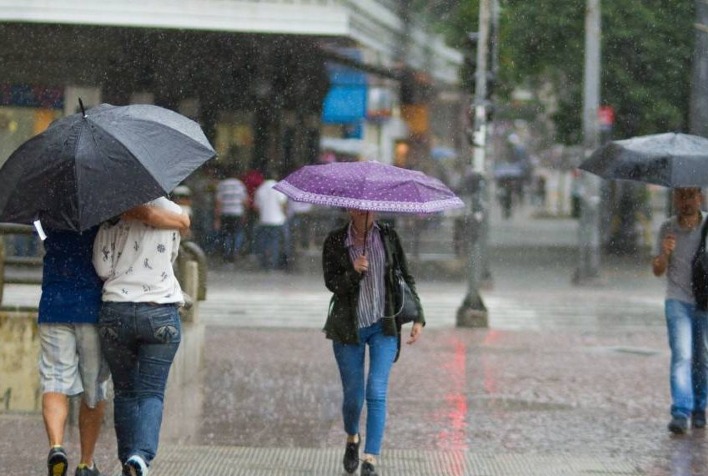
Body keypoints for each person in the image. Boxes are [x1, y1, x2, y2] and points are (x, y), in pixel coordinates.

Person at [39, 205, 189, 476]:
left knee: (116, 391)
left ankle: (69, 449)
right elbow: (174, 249)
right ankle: (124, 458)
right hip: (149, 310)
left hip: (94, 309)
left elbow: (103, 267)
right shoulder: (170, 213)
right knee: (136, 391)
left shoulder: (102, 217)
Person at [322, 209, 425, 476]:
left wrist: (419, 317)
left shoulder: (389, 236)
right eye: (360, 207)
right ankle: (352, 438)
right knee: (354, 397)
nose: (367, 212)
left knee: (376, 392)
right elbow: (331, 283)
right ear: (349, 210)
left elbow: (406, 276)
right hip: (349, 328)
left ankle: (370, 459)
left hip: (384, 325)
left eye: (371, 208)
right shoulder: (335, 241)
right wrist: (353, 272)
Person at [92, 196, 188, 476]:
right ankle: (141, 456)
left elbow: (102, 268)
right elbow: (171, 256)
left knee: (124, 392)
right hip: (159, 312)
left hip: (116, 313)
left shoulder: (112, 213)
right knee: (151, 393)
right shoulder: (171, 212)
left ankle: (126, 460)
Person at [652, 187, 708, 434]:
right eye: (680, 196)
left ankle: (699, 407)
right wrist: (665, 253)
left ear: (700, 198)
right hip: (677, 300)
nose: (685, 202)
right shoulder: (667, 228)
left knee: (702, 358)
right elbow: (657, 270)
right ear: (674, 198)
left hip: (705, 301)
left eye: (690, 196)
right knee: (682, 354)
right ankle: (681, 411)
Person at [214, 166, 248, 264]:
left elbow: (218, 202)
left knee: (226, 235)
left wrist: (217, 218)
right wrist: (245, 213)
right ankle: (235, 253)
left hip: (225, 213)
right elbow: (245, 201)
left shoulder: (222, 185)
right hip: (237, 213)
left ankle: (227, 254)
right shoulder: (240, 185)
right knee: (237, 234)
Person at [253, 176, 288, 271]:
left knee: (264, 242)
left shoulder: (260, 189)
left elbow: (256, 207)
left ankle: (264, 263)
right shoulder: (279, 187)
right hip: (277, 220)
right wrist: (285, 215)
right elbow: (283, 204)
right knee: (275, 243)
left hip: (264, 220)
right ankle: (273, 264)